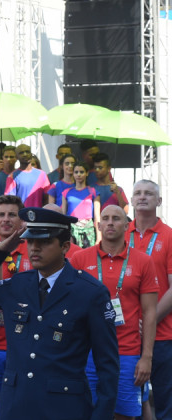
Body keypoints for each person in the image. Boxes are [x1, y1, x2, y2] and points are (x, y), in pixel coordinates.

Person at [0, 207, 120, 420]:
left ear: (65, 246)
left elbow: (107, 365)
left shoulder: (90, 292)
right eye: (31, 241)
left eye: (44, 242)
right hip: (16, 408)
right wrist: (0, 249)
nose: (34, 247)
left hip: (64, 410)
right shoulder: (17, 285)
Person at [71, 204, 158, 420]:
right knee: (86, 412)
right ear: (99, 225)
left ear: (127, 226)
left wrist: (146, 357)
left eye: (116, 218)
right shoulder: (80, 259)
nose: (110, 222)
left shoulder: (143, 261)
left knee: (123, 415)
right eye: (106, 218)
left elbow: (150, 312)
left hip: (126, 353)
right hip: (87, 352)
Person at [127, 180, 172, 420]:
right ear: (132, 200)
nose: (142, 197)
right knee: (128, 404)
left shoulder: (170, 236)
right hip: (126, 335)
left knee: (165, 403)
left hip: (163, 334)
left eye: (148, 193)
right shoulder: (121, 233)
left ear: (159, 201)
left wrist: (148, 320)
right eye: (138, 193)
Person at [0, 195, 30, 417]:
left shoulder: (34, 252)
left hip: (23, 348)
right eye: (1, 215)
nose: (5, 219)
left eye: (12, 215)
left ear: (22, 221)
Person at [60, 162, 98, 248]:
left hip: (89, 230)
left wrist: (99, 237)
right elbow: (63, 215)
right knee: (72, 253)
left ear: (87, 173)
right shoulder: (66, 192)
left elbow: (97, 217)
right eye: (76, 172)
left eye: (82, 172)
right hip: (72, 230)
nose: (79, 174)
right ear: (73, 174)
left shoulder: (93, 191)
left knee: (88, 254)